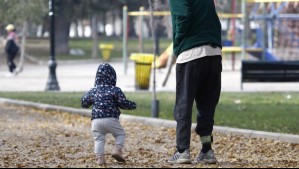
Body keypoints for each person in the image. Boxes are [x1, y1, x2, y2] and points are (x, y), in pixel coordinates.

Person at [168, 0, 222, 165]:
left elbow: (182, 16)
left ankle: (182, 150)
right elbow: (216, 21)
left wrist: (178, 42)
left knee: (183, 106)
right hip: (214, 54)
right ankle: (207, 149)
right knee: (207, 107)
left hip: (190, 54)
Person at [81, 63, 137, 165]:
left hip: (96, 120)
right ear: (113, 77)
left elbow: (84, 102)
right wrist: (132, 105)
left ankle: (100, 158)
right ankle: (117, 150)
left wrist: (87, 102)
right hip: (111, 119)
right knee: (120, 134)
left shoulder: (93, 91)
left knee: (99, 139)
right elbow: (123, 103)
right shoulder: (115, 90)